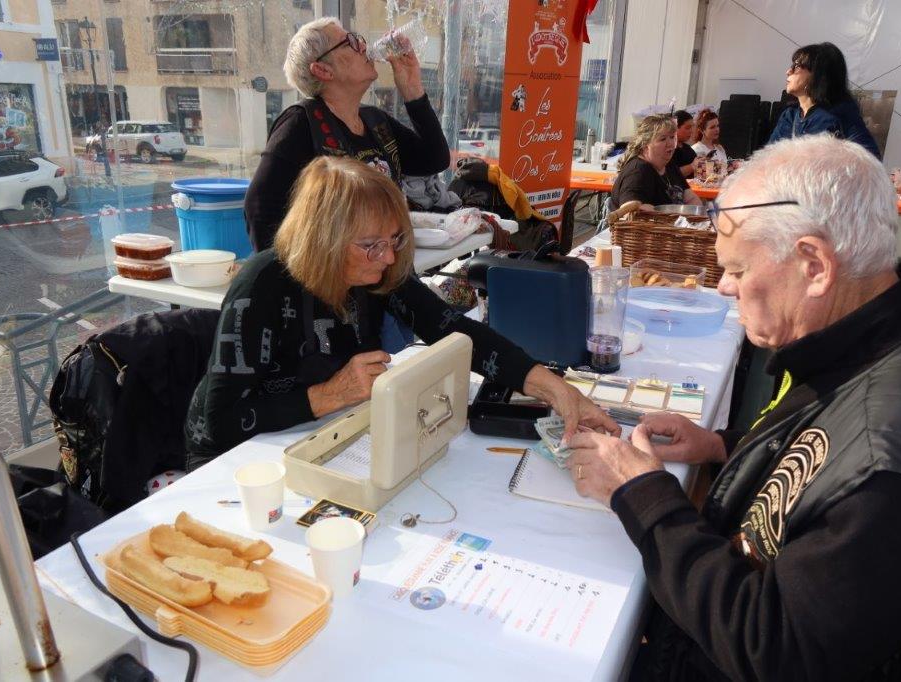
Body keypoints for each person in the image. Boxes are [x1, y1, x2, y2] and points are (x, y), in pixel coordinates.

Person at [566, 135, 901, 680]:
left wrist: (641, 495)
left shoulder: (899, 467)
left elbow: (774, 647)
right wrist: (724, 447)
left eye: (738, 270)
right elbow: (828, 456)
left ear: (814, 265)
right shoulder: (897, 335)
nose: (723, 287)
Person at [186, 157, 618, 470]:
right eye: (371, 245)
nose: (390, 257)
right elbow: (219, 425)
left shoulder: (377, 270)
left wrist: (556, 390)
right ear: (322, 242)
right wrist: (331, 394)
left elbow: (456, 332)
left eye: (394, 239)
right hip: (239, 461)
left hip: (326, 437)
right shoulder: (262, 286)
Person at [244, 17, 450, 251]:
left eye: (358, 39)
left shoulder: (376, 121)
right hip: (341, 272)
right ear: (323, 70)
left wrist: (412, 88)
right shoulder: (301, 123)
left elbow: (434, 159)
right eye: (349, 42)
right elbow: (259, 208)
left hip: (386, 262)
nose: (363, 46)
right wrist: (296, 271)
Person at [767, 42, 880, 157]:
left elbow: (869, 157)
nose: (788, 72)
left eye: (796, 66)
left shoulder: (840, 114)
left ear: (817, 74)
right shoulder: (790, 115)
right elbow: (771, 156)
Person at [610, 114, 702, 211]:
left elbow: (691, 199)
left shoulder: (670, 166)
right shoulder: (637, 171)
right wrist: (667, 214)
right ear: (645, 145)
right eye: (663, 139)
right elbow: (629, 209)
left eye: (672, 137)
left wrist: (691, 215)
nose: (670, 143)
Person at [670, 110, 698, 178]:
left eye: (692, 127)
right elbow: (670, 175)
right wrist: (692, 166)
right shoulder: (668, 150)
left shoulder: (688, 149)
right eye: (687, 128)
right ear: (675, 128)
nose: (691, 131)